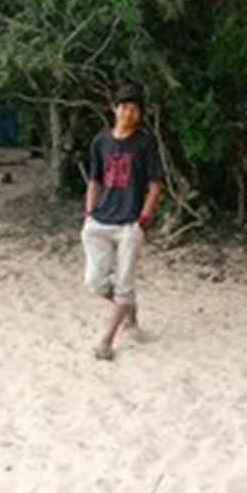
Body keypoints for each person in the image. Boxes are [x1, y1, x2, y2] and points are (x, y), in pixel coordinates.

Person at [82, 81, 164, 361]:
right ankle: (128, 306)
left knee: (124, 284)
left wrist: (143, 218)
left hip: (129, 223)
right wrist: (89, 214)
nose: (129, 112)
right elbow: (94, 180)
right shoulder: (100, 141)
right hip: (99, 221)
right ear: (115, 108)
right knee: (94, 283)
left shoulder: (144, 143)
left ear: (140, 114)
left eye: (135, 109)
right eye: (125, 107)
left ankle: (106, 341)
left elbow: (155, 185)